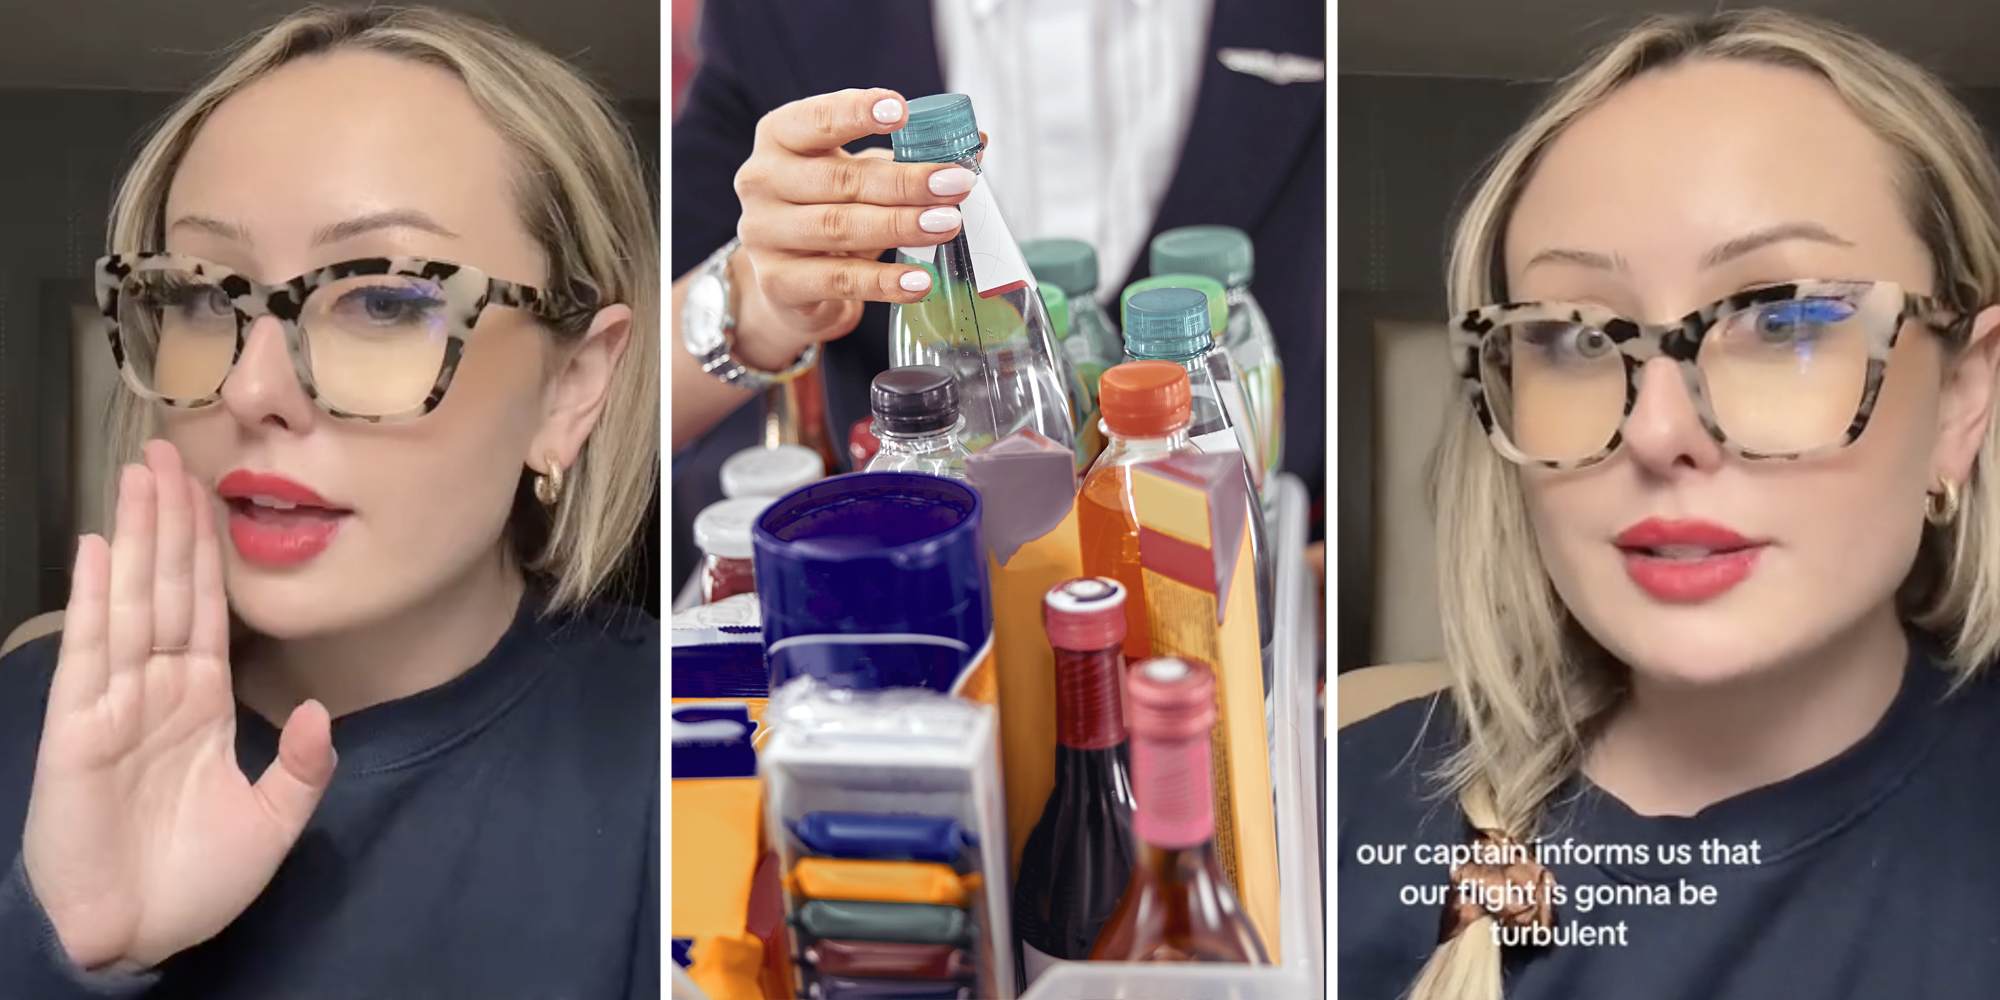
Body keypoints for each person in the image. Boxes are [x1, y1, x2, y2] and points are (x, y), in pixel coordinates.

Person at [1339, 10, 2000, 999]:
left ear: (1960, 400)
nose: (1656, 430)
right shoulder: (1324, 804)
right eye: (1573, 337)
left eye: (1781, 318)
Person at [0, 7, 660, 998]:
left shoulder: (683, 740)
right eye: (201, 297)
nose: (250, 388)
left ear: (572, 386)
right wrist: (71, 955)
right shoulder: (24, 721)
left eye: (386, 300)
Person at [667, 0, 1326, 604]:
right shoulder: (781, 16)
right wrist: (763, 297)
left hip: (1266, 597)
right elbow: (622, 390)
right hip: (928, 592)